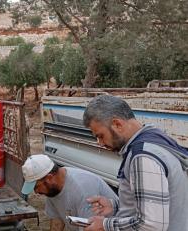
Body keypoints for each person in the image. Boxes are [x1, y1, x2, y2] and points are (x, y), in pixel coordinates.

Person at [82, 95, 188, 231]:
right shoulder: (155, 139)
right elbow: (156, 203)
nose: (100, 143)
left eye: (100, 136)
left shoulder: (143, 156)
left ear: (117, 124)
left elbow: (151, 225)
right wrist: (115, 206)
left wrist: (105, 225)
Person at [21, 154, 118, 231]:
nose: (36, 192)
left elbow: (91, 228)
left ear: (49, 178)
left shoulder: (82, 189)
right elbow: (56, 220)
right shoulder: (52, 189)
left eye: (36, 187)